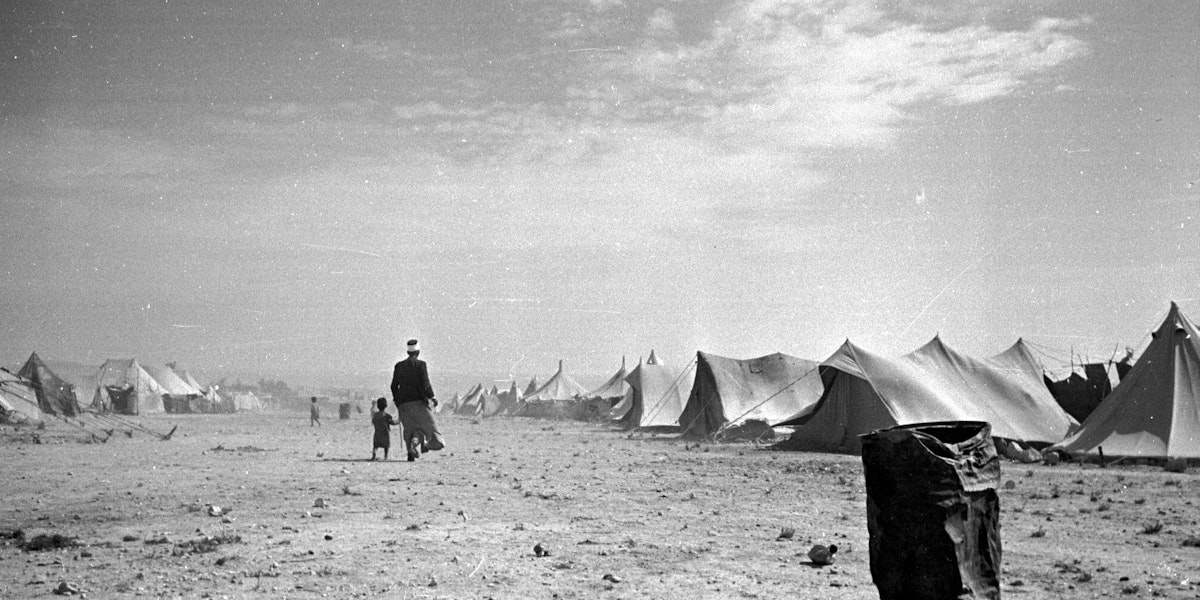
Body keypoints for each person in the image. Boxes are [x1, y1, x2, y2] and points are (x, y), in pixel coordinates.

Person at [390, 339, 445, 461]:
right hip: (419, 404)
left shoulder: (398, 366)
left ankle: (412, 449)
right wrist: (433, 398)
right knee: (434, 434)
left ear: (407, 352)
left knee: (411, 429)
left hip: (403, 405)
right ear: (418, 352)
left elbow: (393, 386)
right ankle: (425, 444)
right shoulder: (421, 365)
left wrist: (398, 402)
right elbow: (425, 385)